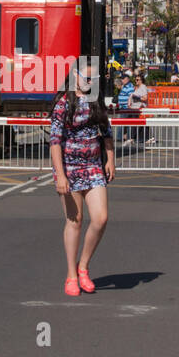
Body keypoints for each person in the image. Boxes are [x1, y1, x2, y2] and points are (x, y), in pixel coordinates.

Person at [50, 62, 115, 298]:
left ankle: (83, 266)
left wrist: (110, 159)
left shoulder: (96, 100)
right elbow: (55, 142)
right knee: (74, 221)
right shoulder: (63, 103)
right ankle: (71, 275)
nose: (90, 82)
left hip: (93, 166)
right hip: (69, 167)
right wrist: (60, 175)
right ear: (74, 75)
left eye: (93, 78)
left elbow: (106, 132)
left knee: (101, 218)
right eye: (86, 78)